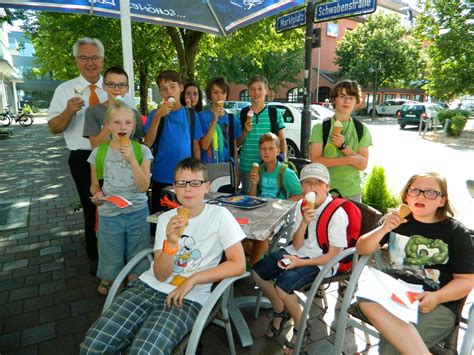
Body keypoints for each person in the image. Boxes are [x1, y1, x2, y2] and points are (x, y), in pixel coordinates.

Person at [80, 157, 246, 354]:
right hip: (146, 288)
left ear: (206, 187)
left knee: (145, 351)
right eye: (181, 183)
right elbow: (160, 274)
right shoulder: (166, 219)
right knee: (93, 346)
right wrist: (171, 243)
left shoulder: (220, 216)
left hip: (187, 299)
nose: (188, 189)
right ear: (174, 187)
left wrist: (192, 279)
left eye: (195, 183)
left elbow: (239, 264)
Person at [356, 172, 473, 355]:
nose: (420, 195)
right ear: (406, 195)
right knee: (364, 298)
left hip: (435, 302)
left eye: (431, 192)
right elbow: (362, 248)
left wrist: (437, 297)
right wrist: (384, 227)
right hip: (394, 293)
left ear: (442, 201)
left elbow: (466, 280)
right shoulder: (395, 220)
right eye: (415, 190)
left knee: (392, 348)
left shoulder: (456, 232)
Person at [252, 163, 348, 353]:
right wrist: (304, 221)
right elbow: (296, 244)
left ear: (327, 186)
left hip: (323, 262)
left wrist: (300, 263)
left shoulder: (337, 213)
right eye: (307, 183)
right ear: (302, 187)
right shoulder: (301, 206)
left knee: (283, 286)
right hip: (298, 252)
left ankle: (301, 326)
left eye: (318, 183)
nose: (312, 187)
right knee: (257, 272)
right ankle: (281, 310)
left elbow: (333, 255)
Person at [47, 37, 107, 274]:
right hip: (82, 159)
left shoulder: (114, 87)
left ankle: (116, 251)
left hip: (112, 156)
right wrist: (68, 111)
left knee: (114, 204)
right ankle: (96, 256)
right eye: (84, 57)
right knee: (92, 206)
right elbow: (53, 127)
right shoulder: (64, 90)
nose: (89, 63)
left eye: (94, 57)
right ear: (76, 61)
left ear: (102, 61)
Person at [88, 102, 153, 294]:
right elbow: (94, 185)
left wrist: (132, 159)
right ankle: (112, 279)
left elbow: (143, 187)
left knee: (138, 253)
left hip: (137, 212)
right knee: (110, 252)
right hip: (110, 213)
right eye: (116, 122)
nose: (122, 127)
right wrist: (96, 195)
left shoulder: (143, 152)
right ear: (107, 125)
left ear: (133, 126)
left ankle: (134, 280)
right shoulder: (98, 153)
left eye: (127, 122)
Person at [144, 70, 203, 218]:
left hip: (186, 179)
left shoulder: (190, 114)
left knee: (187, 219)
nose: (169, 91)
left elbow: (195, 144)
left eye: (172, 86)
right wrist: (158, 116)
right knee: (161, 221)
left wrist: (198, 171)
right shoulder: (155, 115)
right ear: (160, 92)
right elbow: (148, 143)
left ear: (181, 88)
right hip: (161, 177)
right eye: (164, 88)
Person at [309, 79, 372, 202]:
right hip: (325, 192)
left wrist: (343, 147)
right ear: (334, 99)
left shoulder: (361, 129)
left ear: (356, 101)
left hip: (352, 192)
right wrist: (349, 159)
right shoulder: (321, 128)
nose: (347, 101)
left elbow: (363, 165)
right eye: (342, 96)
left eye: (351, 97)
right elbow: (315, 161)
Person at [246, 132, 302, 266]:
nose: (266, 152)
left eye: (271, 148)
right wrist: (253, 184)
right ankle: (254, 258)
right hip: (259, 211)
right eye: (263, 149)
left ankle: (255, 265)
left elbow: (301, 194)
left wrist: (281, 204)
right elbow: (252, 197)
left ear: (278, 151)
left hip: (278, 216)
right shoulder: (258, 170)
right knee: (241, 233)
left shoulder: (286, 173)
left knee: (261, 234)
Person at [237, 75, 287, 194]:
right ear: (249, 91)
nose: (256, 92)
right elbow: (237, 143)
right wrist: (245, 131)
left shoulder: (274, 113)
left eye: (260, 88)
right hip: (247, 165)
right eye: (253, 89)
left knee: (270, 198)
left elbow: (282, 140)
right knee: (249, 200)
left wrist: (283, 161)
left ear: (266, 91)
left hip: (270, 166)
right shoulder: (242, 114)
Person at [83, 66, 145, 148]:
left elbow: (138, 144)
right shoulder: (93, 111)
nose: (116, 89)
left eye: (121, 85)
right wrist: (113, 116)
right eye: (111, 84)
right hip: (103, 159)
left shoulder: (134, 113)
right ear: (104, 87)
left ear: (127, 88)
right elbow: (95, 146)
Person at [198, 76, 241, 164]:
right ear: (210, 94)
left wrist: (236, 169)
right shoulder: (201, 116)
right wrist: (214, 120)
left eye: (223, 93)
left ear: (226, 95)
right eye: (215, 92)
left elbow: (234, 147)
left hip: (227, 167)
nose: (219, 96)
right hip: (208, 167)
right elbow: (204, 146)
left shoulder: (232, 119)